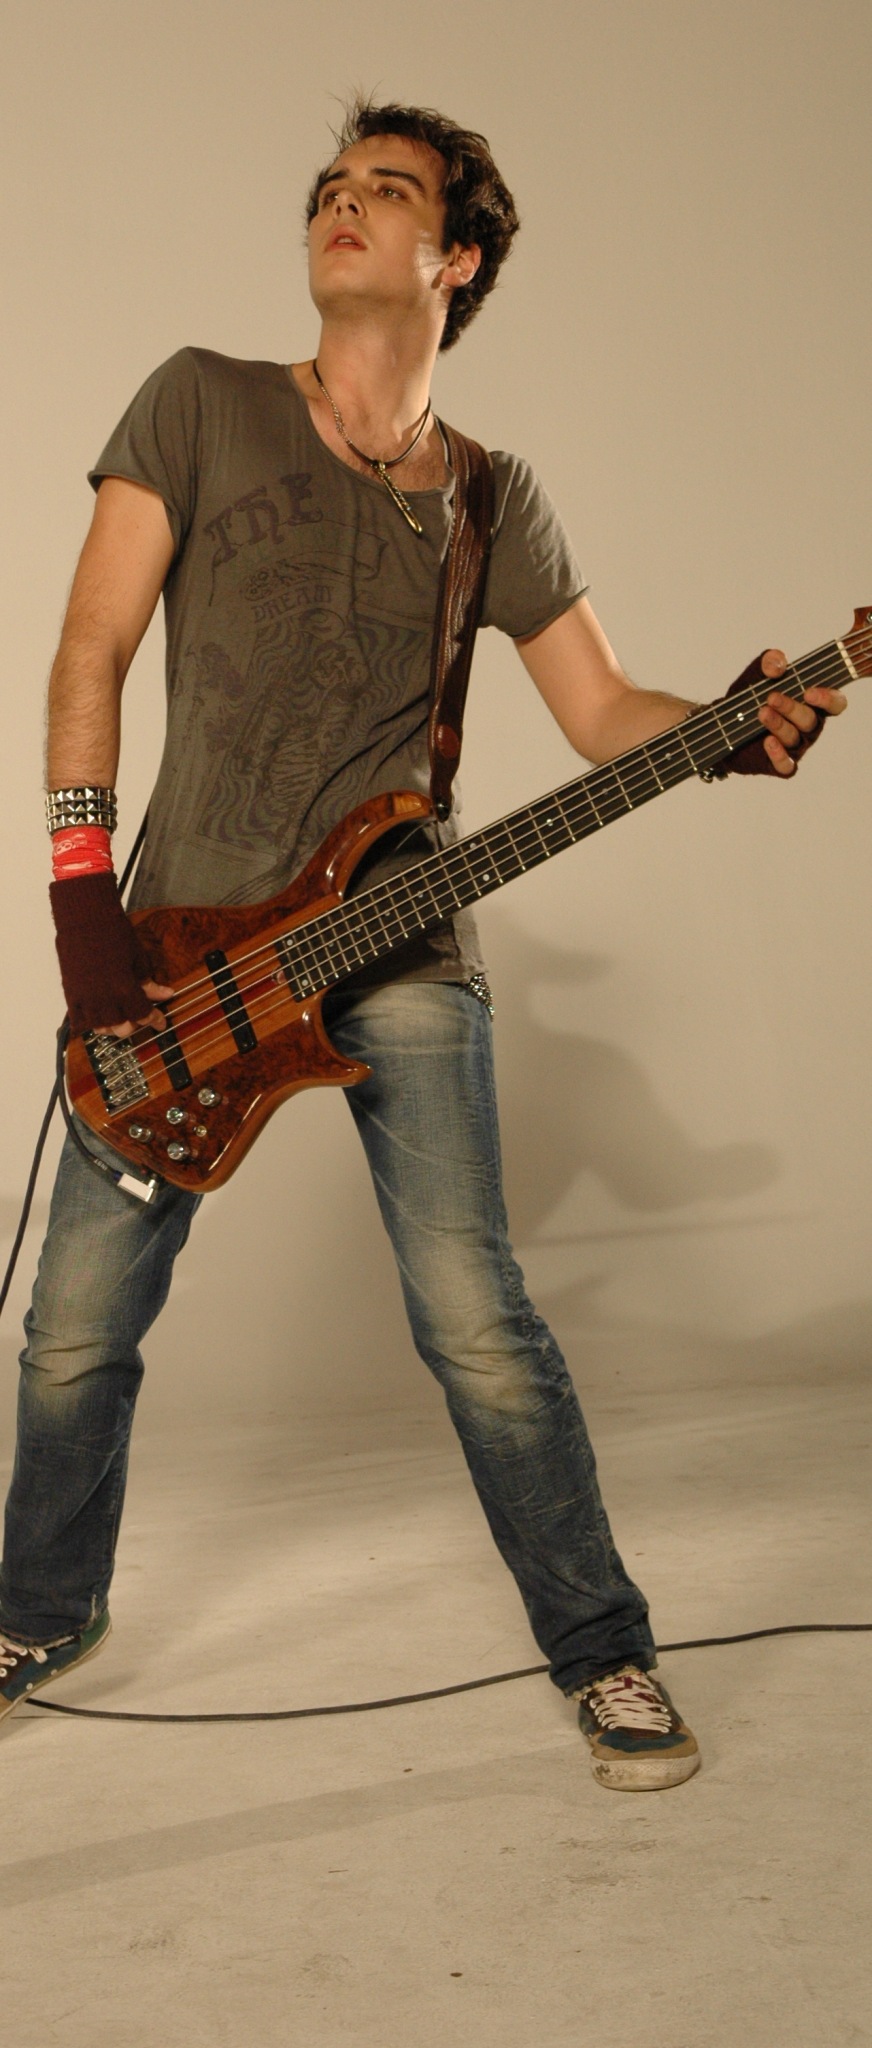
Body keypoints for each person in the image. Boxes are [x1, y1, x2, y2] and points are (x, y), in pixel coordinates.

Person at [0, 99, 844, 1789]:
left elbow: (602, 708)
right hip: (178, 950)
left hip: (398, 939)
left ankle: (604, 1651)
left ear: (453, 261)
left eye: (387, 191)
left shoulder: (493, 498)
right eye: (331, 185)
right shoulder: (198, 400)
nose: (343, 204)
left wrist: (732, 726)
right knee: (76, 1326)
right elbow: (91, 645)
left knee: (475, 1316)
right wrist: (86, 917)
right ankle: (36, 1610)